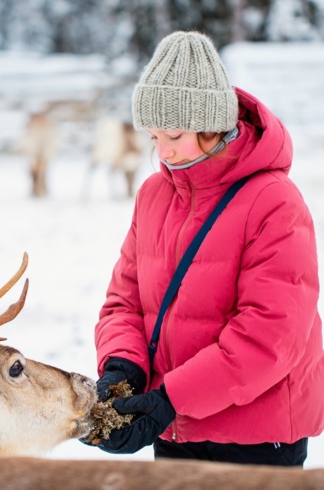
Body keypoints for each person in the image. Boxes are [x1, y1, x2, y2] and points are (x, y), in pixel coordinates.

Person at [81, 31, 324, 466]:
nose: (164, 151)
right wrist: (124, 370)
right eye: (154, 137)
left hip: (256, 437)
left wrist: (172, 398)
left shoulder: (274, 201)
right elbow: (124, 301)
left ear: (213, 124)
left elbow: (270, 335)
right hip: (175, 430)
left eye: (174, 134)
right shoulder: (154, 195)